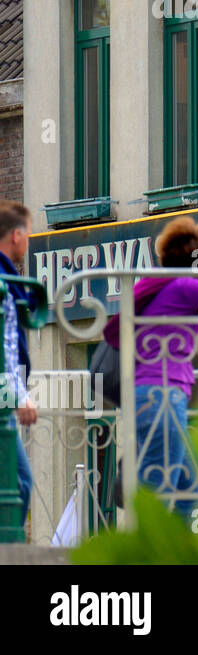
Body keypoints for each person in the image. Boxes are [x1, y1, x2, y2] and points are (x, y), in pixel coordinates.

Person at [103, 218, 198, 518]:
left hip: (153, 395)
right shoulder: (183, 287)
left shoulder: (159, 285)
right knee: (158, 486)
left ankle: (188, 549)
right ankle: (146, 553)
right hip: (162, 396)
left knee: (193, 486)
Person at [0, 202, 35, 533]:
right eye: (27, 234)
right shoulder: (3, 284)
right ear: (16, 235)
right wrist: (19, 396)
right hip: (2, 403)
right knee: (19, 483)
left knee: (17, 484)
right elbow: (4, 347)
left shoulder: (8, 280)